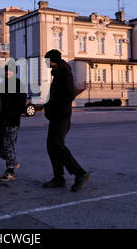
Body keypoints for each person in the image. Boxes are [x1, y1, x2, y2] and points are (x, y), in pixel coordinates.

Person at [43, 49, 90, 192]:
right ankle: (59, 178)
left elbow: (68, 95)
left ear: (53, 60)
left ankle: (80, 173)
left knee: (57, 145)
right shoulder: (58, 73)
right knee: (52, 146)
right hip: (56, 115)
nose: (46, 64)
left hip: (61, 116)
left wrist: (55, 107)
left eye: (47, 61)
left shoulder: (64, 73)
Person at [0, 64, 26, 182]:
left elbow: (21, 105)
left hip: (12, 122)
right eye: (6, 71)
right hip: (1, 121)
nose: (7, 73)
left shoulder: (18, 85)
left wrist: (10, 116)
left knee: (8, 145)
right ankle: (13, 161)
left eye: (10, 71)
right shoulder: (2, 85)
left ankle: (10, 171)